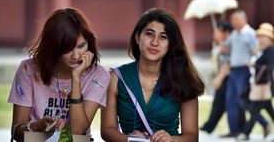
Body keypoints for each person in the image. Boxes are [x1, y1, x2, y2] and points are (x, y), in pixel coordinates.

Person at [101, 8, 205, 142]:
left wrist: (172, 140)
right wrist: (130, 140)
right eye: (149, 34)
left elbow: (192, 135)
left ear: (170, 44)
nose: (155, 42)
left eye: (163, 37)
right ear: (138, 37)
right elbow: (107, 130)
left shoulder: (184, 79)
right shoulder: (115, 78)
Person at [8, 8, 110, 142]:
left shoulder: (99, 75)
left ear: (89, 43)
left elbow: (77, 131)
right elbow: (16, 131)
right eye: (67, 49)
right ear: (53, 46)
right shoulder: (28, 69)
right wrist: (36, 126)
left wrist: (76, 78)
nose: (76, 56)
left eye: (81, 46)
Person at [220, 10, 268, 137]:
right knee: (230, 100)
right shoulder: (234, 34)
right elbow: (225, 49)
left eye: (236, 19)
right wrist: (220, 39)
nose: (233, 22)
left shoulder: (250, 33)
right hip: (233, 71)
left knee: (243, 101)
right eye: (232, 20)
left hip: (244, 71)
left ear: (244, 20)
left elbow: (257, 51)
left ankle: (263, 122)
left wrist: (252, 62)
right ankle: (234, 130)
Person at [237, 23, 274, 141]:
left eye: (264, 36)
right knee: (268, 109)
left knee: (254, 109)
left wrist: (255, 65)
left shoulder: (270, 50)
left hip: (264, 85)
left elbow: (269, 67)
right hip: (258, 85)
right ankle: (260, 127)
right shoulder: (261, 50)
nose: (261, 38)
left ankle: (246, 133)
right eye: (260, 36)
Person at [200, 22, 232, 133]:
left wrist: (220, 40)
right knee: (218, 103)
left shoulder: (229, 42)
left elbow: (226, 55)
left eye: (219, 30)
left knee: (223, 103)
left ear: (225, 32)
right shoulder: (218, 43)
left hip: (226, 77)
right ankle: (209, 126)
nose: (215, 32)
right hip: (219, 75)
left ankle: (210, 126)